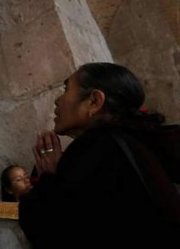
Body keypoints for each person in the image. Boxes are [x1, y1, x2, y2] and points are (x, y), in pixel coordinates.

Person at [18, 62, 180, 249]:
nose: (57, 100)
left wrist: (49, 177)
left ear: (94, 101)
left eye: (66, 89)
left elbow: (48, 231)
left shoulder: (96, 148)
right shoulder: (137, 142)